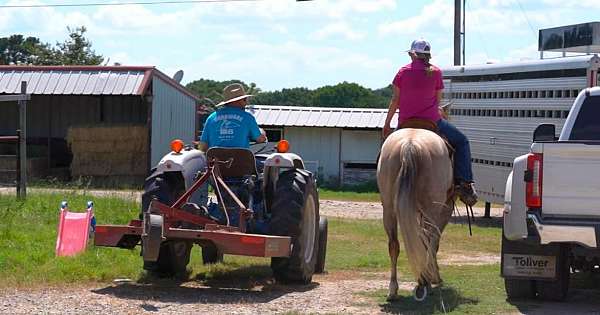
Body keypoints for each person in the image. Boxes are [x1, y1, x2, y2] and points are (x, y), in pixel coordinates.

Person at [382, 39, 478, 206]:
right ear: (427, 55)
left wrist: (387, 124)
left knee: (387, 151)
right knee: (462, 142)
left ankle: (384, 187)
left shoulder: (402, 72)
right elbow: (438, 100)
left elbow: (395, 99)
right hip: (432, 121)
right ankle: (464, 183)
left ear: (413, 54)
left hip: (406, 122)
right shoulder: (436, 72)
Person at [198, 83, 267, 152]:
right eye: (245, 99)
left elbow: (203, 146)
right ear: (238, 101)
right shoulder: (248, 117)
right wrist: (262, 132)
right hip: (241, 161)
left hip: (217, 161)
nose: (246, 103)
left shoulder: (211, 118)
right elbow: (260, 139)